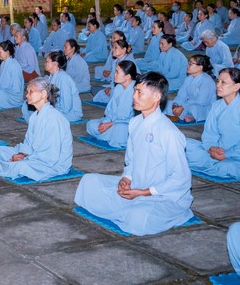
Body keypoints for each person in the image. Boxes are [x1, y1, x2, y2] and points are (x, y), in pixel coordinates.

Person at [74, 72, 194, 236]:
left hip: (162, 195)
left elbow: (180, 178)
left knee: (138, 217)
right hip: (136, 185)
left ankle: (152, 210)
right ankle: (129, 206)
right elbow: (130, 161)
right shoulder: (135, 123)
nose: (134, 96)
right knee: (89, 182)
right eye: (134, 91)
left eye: (139, 92)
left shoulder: (169, 132)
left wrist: (144, 192)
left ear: (156, 96)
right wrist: (126, 179)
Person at [0, 77, 73, 181]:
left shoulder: (54, 119)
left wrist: (26, 158)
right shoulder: (34, 116)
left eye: (31, 92)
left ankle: (13, 166)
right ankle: (13, 165)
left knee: (21, 166)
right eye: (27, 92)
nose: (26, 95)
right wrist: (22, 154)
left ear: (43, 94)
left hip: (52, 164)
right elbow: (28, 143)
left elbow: (51, 155)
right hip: (35, 155)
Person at [185, 68, 240, 179]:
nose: (218, 85)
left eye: (223, 82)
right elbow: (209, 133)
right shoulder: (216, 106)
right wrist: (211, 148)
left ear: (237, 86)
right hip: (214, 152)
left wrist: (226, 155)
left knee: (227, 166)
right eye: (218, 81)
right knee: (183, 144)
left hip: (235, 157)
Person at [86, 60, 137, 148]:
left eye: (117, 72)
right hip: (113, 123)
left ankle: (107, 135)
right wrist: (106, 122)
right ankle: (107, 134)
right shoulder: (118, 88)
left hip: (125, 125)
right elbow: (109, 110)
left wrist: (110, 124)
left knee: (121, 129)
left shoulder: (135, 91)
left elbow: (134, 118)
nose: (114, 75)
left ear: (128, 76)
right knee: (90, 124)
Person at [22, 51, 83, 122]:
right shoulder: (50, 77)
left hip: (69, 113)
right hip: (56, 107)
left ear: (54, 64)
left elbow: (66, 107)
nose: (45, 64)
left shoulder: (64, 79)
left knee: (42, 116)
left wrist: (49, 109)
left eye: (47, 62)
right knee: (26, 105)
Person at [165, 54, 217, 123]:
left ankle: (186, 115)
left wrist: (183, 106)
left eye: (191, 64)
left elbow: (202, 101)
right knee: (166, 103)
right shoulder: (189, 78)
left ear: (200, 67)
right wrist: (176, 104)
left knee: (192, 108)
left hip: (202, 107)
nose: (187, 66)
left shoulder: (207, 81)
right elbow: (181, 95)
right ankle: (182, 114)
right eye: (188, 63)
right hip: (187, 103)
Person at [93, 38, 136, 104]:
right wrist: (111, 88)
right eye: (113, 47)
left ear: (124, 49)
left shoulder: (128, 62)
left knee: (102, 93)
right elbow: (113, 79)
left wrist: (112, 90)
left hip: (125, 90)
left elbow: (130, 82)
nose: (113, 50)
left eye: (116, 48)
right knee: (96, 91)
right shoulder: (116, 61)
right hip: (115, 87)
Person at [0, 41, 25, 109]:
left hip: (13, 97)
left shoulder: (14, 66)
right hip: (3, 91)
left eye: (0, 52)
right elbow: (0, 83)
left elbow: (16, 89)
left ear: (7, 52)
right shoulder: (3, 63)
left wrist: (2, 90)